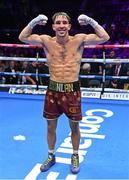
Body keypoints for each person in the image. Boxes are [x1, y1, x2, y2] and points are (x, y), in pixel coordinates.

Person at [19, 12, 109, 174]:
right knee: (50, 126)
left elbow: (104, 37)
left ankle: (74, 155)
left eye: (64, 22)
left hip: (72, 90)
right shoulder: (46, 41)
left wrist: (90, 20)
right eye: (58, 23)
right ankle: (51, 155)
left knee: (74, 127)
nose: (61, 25)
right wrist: (34, 21)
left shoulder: (79, 40)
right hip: (53, 90)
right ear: (53, 26)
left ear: (69, 26)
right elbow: (23, 37)